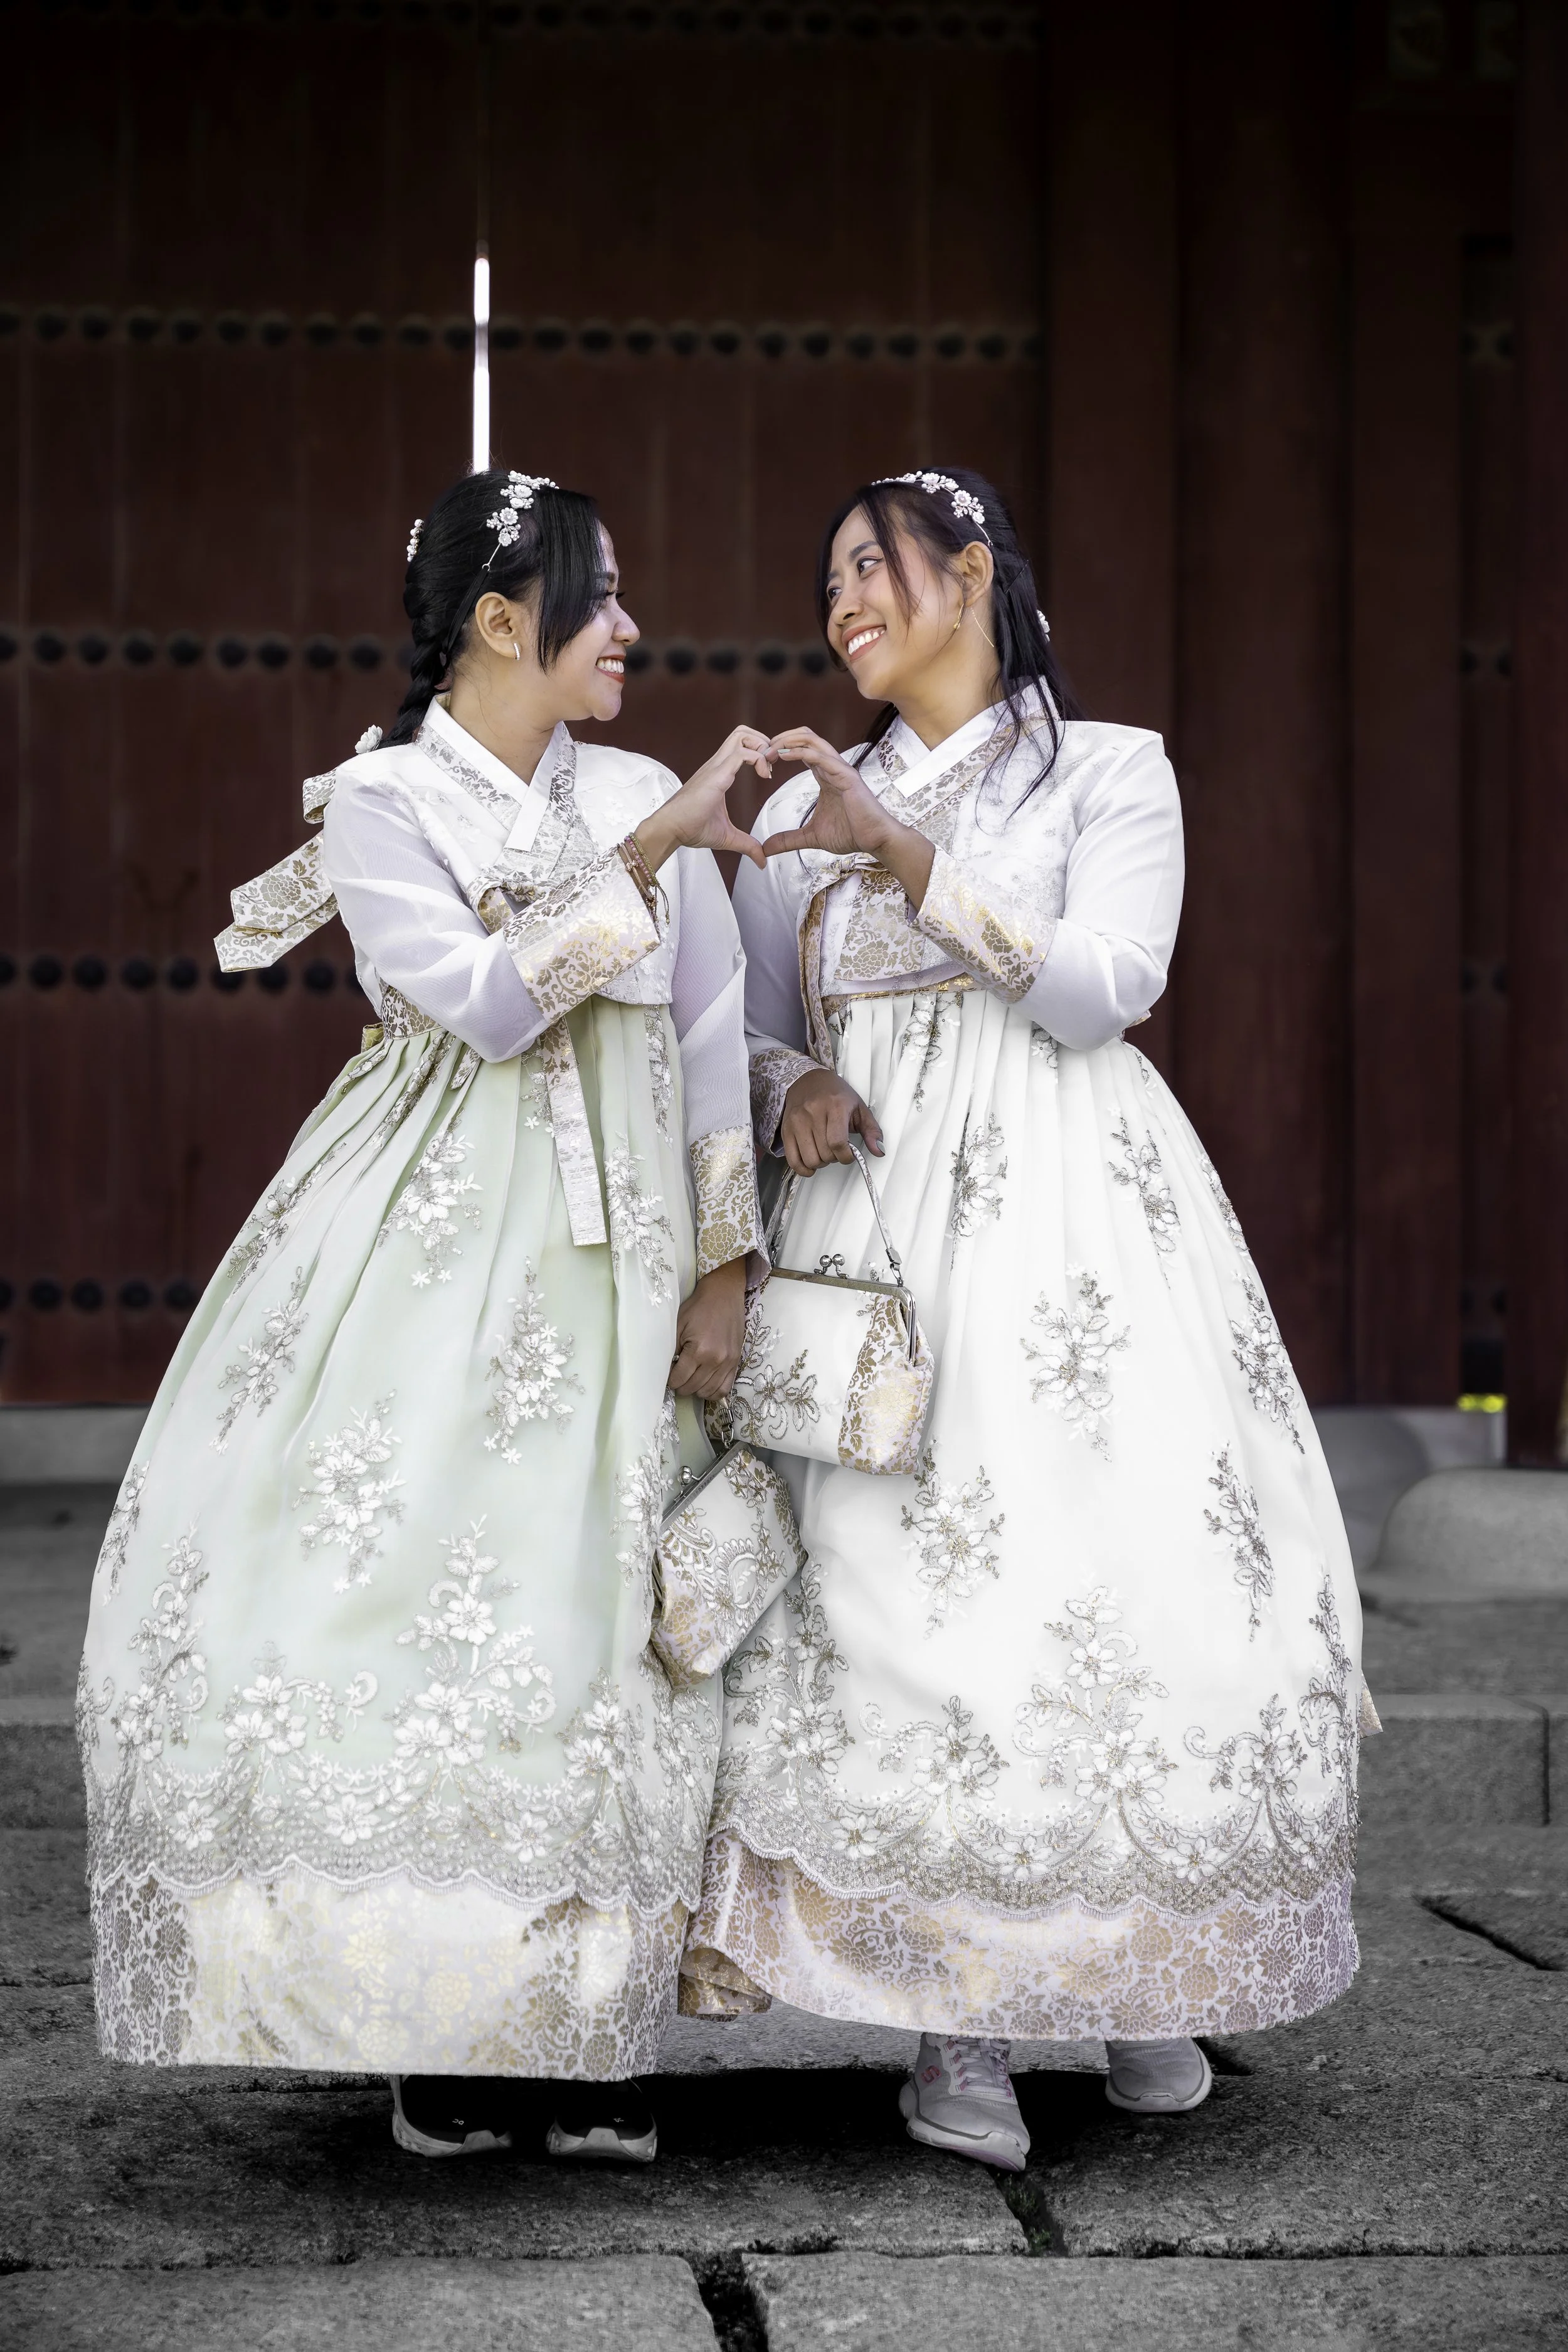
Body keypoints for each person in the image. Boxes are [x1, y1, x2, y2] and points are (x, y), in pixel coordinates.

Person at [78, 467, 772, 2165]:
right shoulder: (388, 798)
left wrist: (724, 1266)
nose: (627, 630)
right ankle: (435, 2027)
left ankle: (585, 2023)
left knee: (592, 1610)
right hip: (430, 1236)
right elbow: (470, 1005)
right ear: (496, 619)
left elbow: (701, 1033)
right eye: (598, 597)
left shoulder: (617, 777)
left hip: (620, 1238)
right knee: (421, 1597)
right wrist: (661, 841)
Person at [682, 468, 1371, 2173]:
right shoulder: (810, 807)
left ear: (969, 573)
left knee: (1100, 1567)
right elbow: (766, 1031)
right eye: (826, 576)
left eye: (872, 567)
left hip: (1071, 1210)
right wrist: (793, 1090)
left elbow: (1100, 985)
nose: (840, 601)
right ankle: (960, 2019)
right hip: (882, 1230)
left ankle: (1132, 1970)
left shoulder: (1106, 768)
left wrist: (900, 851)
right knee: (904, 1581)